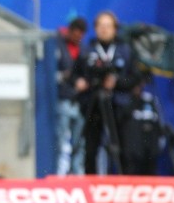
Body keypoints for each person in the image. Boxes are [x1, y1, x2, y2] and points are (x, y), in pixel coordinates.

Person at [73, 10, 137, 174]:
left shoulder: (125, 49)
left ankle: (125, 186)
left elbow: (135, 78)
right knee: (91, 149)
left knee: (122, 147)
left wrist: (115, 83)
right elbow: (75, 74)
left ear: (115, 28)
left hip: (118, 105)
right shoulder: (87, 49)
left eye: (108, 26)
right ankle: (90, 186)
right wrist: (79, 81)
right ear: (95, 28)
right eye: (100, 26)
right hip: (93, 104)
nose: (104, 29)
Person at [54, 16, 87, 175]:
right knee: (61, 140)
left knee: (79, 141)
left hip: (80, 101)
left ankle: (77, 172)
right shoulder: (58, 45)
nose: (78, 37)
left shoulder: (83, 49)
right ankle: (60, 172)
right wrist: (66, 76)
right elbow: (52, 73)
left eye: (81, 34)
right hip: (64, 99)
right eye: (76, 33)